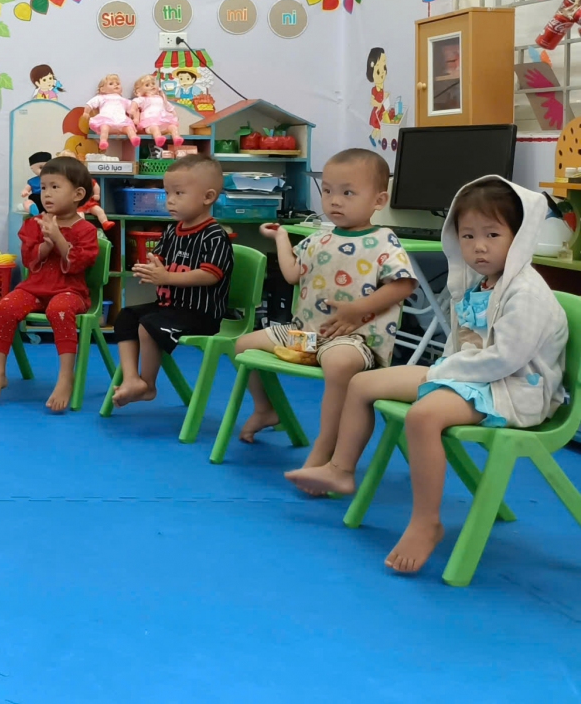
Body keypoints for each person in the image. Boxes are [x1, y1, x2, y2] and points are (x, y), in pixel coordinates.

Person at [286, 177, 567, 574]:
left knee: (423, 416)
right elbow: (461, 341)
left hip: (513, 389)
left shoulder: (527, 294)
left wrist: (441, 371)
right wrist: (444, 368)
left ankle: (426, 522)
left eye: (492, 234)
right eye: (467, 235)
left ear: (519, 236)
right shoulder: (479, 283)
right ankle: (341, 469)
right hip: (469, 376)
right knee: (362, 384)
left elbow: (505, 359)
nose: (479, 246)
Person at [233, 148, 417, 470]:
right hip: (305, 336)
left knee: (339, 364)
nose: (334, 201)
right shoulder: (319, 238)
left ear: (379, 200)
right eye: (328, 191)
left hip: (354, 340)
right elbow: (293, 274)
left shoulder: (384, 240)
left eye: (348, 193)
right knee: (244, 345)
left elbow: (403, 285)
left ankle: (326, 445)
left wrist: (358, 309)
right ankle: (265, 409)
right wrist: (281, 238)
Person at [112, 154, 235, 408]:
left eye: (179, 193)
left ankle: (148, 384)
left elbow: (210, 275)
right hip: (170, 307)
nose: (170, 200)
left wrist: (167, 277)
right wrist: (150, 268)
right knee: (126, 316)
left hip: (200, 314)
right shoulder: (171, 231)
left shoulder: (215, 235)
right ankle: (132, 378)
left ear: (208, 197)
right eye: (167, 193)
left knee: (148, 325)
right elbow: (159, 258)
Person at [0, 154, 99, 411]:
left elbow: (78, 264)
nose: (47, 194)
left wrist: (58, 238)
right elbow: (29, 260)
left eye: (55, 187)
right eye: (44, 187)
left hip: (70, 291)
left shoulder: (86, 230)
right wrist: (45, 245)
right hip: (35, 288)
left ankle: (65, 378)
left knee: (59, 309)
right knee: (5, 307)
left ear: (78, 194)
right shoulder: (34, 224)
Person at [132, 72, 184, 151]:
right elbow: (135, 103)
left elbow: (169, 107)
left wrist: (174, 115)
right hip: (150, 123)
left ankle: (177, 138)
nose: (152, 86)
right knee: (155, 128)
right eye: (147, 85)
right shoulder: (143, 99)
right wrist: (133, 110)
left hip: (163, 121)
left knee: (173, 127)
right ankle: (158, 138)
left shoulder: (160, 98)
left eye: (153, 83)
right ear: (139, 90)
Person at [84, 73, 138, 150]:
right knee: (104, 128)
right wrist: (86, 112)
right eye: (111, 84)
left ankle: (134, 139)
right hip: (107, 119)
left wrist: (136, 117)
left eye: (118, 83)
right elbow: (90, 104)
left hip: (121, 121)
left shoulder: (123, 100)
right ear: (103, 89)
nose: (115, 85)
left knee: (129, 128)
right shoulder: (101, 98)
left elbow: (133, 108)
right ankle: (103, 141)